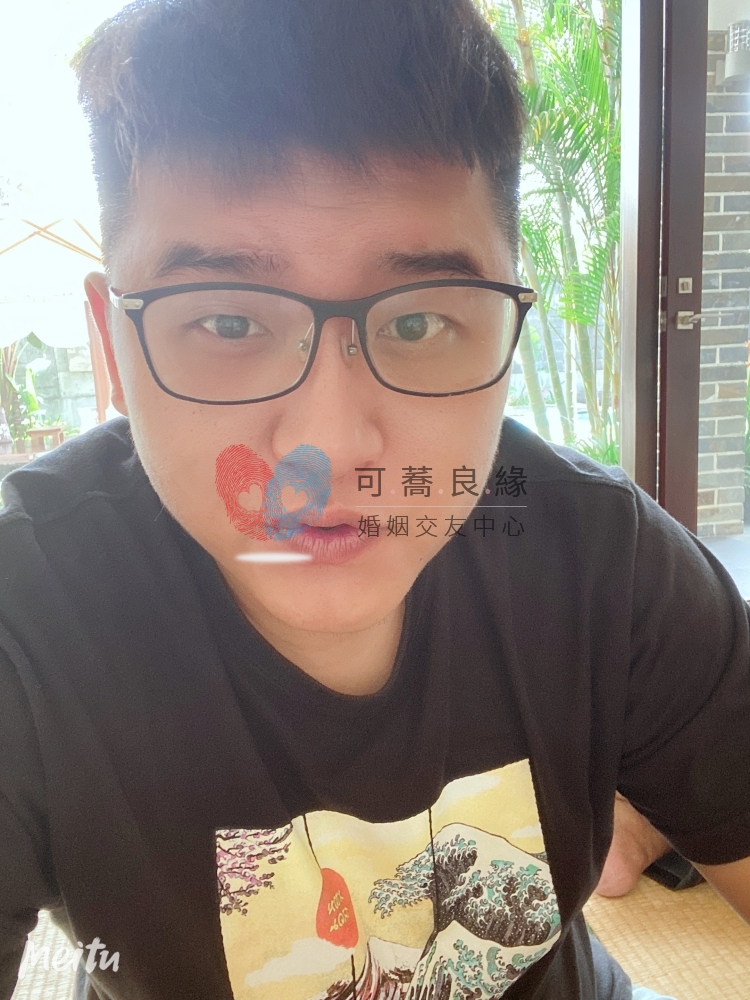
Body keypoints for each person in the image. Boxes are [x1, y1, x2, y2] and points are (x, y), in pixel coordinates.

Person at [1, 1, 748, 999]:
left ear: (507, 331)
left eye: (418, 322)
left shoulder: (601, 558)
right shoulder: (27, 618)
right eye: (228, 322)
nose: (328, 444)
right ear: (111, 344)